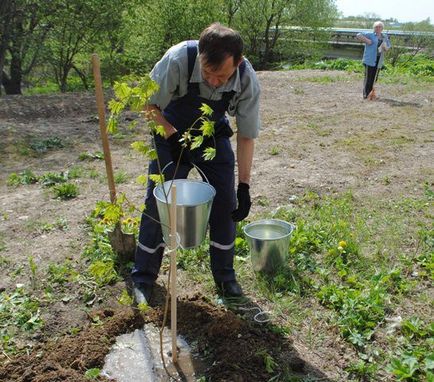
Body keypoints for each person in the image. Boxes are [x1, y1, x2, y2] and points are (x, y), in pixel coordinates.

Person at [132, 22, 261, 305]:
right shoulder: (178, 59)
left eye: (222, 77)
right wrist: (170, 133)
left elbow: (247, 136)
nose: (214, 82)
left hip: (211, 135)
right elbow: (147, 104)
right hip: (170, 133)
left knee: (227, 203)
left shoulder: (247, 78)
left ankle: (225, 277)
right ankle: (142, 277)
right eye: (207, 74)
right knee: (159, 202)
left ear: (237, 63)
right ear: (200, 56)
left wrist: (244, 186)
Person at [356, 21, 391, 100]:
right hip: (370, 59)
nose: (378, 28)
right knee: (368, 77)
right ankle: (366, 95)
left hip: (379, 60)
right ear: (374, 28)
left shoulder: (384, 36)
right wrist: (367, 40)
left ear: (382, 28)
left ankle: (372, 94)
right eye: (376, 27)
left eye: (379, 27)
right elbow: (358, 35)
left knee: (375, 78)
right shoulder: (370, 35)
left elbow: (388, 46)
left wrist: (386, 47)